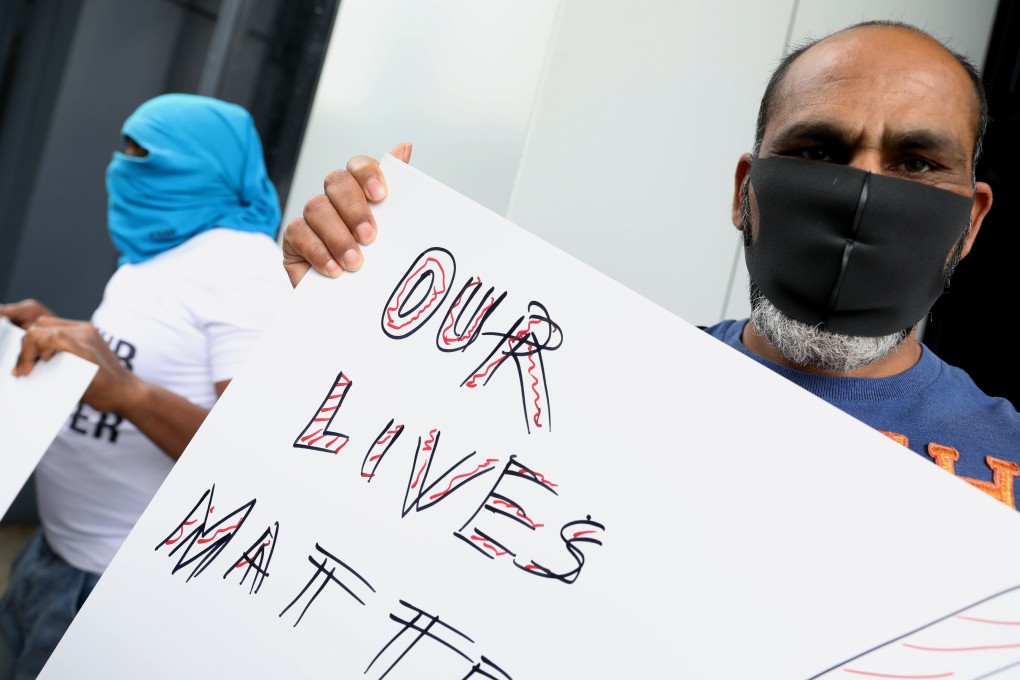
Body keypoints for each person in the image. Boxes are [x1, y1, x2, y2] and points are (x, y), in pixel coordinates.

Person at [280, 21, 1020, 508]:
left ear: (971, 220)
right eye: (817, 152)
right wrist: (341, 314)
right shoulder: (566, 389)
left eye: (917, 163)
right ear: (745, 192)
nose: (862, 193)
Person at [0, 93, 291, 678]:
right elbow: (126, 364)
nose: (123, 164)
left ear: (210, 167)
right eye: (124, 148)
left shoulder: (245, 270)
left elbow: (262, 459)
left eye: (145, 154)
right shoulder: (155, 247)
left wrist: (130, 394)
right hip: (51, 561)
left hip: (110, 596)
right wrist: (53, 338)